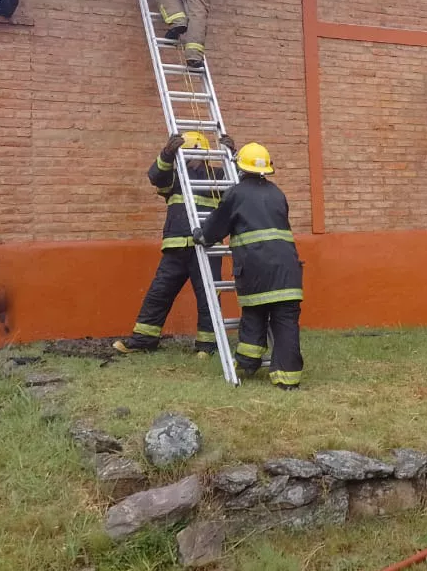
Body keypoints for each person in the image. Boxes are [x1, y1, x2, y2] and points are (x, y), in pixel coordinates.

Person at [193, 142, 304, 390]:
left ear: (241, 168)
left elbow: (217, 224)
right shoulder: (277, 193)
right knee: (286, 323)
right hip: (288, 270)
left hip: (256, 270)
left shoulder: (236, 194)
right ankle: (288, 379)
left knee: (255, 313)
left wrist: (202, 236)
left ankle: (247, 362)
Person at [114, 130, 235, 356]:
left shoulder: (218, 175)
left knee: (208, 297)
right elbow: (155, 176)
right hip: (176, 247)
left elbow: (239, 184)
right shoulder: (175, 176)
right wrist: (167, 154)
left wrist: (232, 156)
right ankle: (143, 339)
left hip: (207, 247)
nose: (189, 159)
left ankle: (207, 345)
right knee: (159, 293)